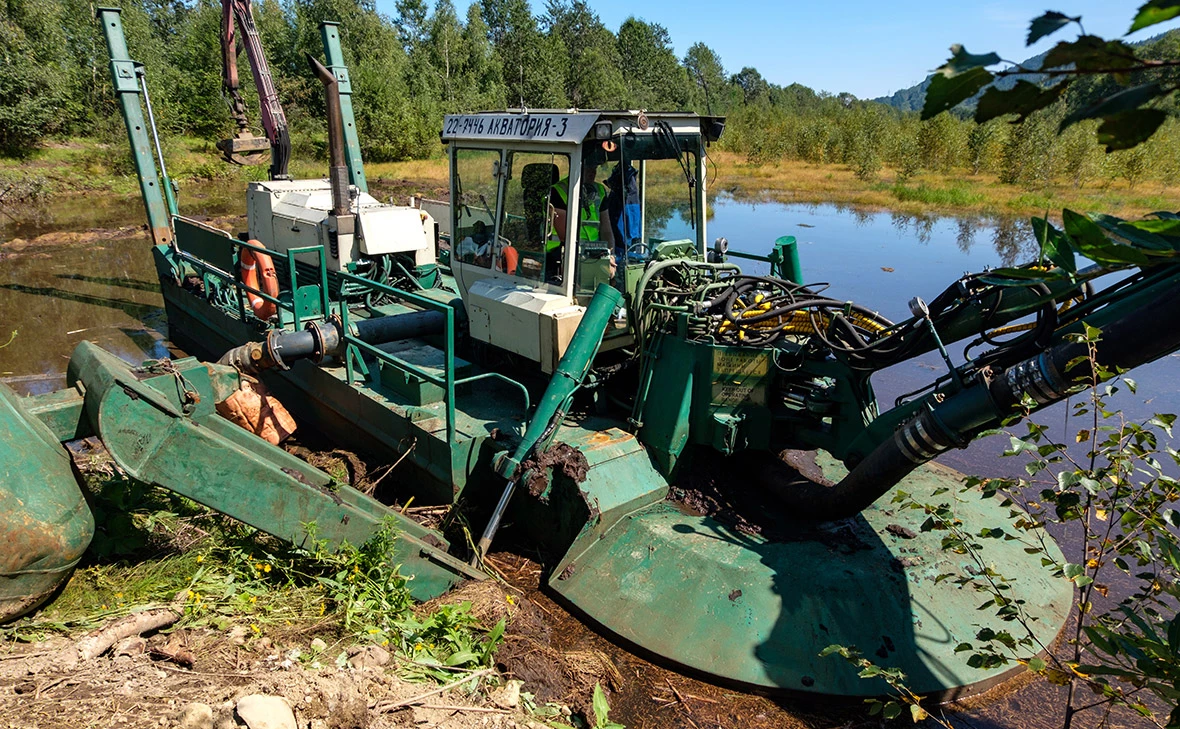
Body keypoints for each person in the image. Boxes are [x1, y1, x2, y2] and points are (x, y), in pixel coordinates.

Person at [546, 155, 615, 282]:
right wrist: (594, 257)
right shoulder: (558, 191)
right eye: (588, 168)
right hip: (560, 252)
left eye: (595, 168)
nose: (592, 172)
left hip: (593, 252)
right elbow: (564, 235)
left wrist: (610, 255)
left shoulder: (600, 190)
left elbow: (606, 229)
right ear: (577, 166)